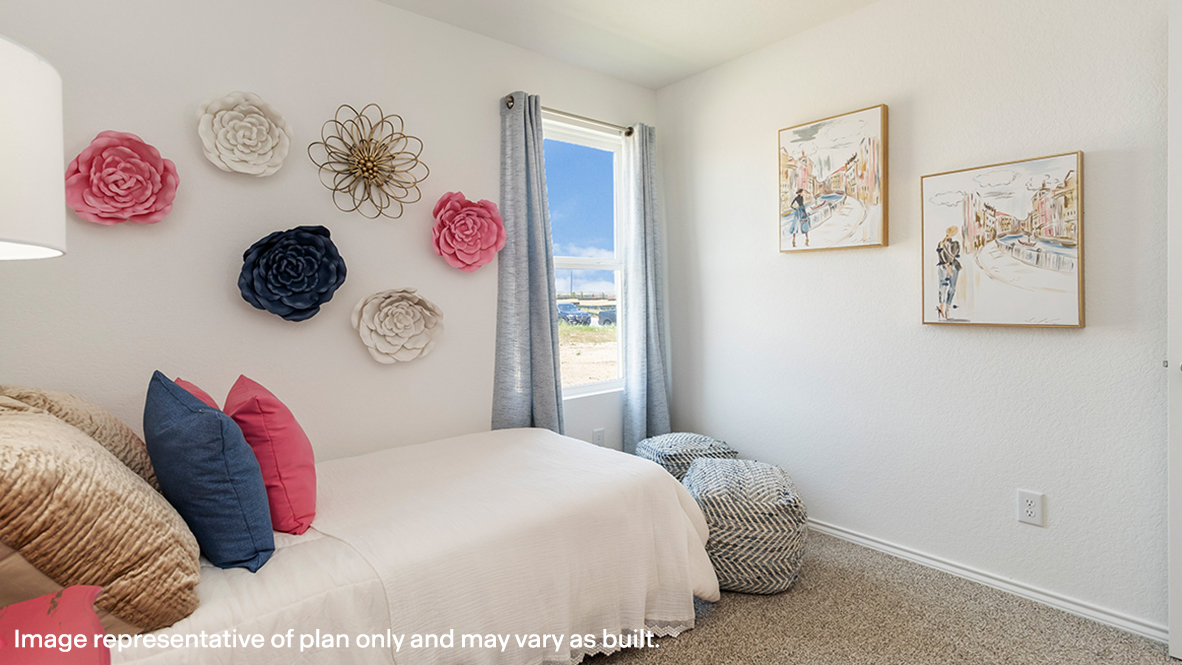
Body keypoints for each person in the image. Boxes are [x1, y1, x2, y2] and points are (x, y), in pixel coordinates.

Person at [936, 226, 961, 320]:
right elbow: (947, 255)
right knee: (948, 288)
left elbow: (952, 255)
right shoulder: (943, 244)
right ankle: (944, 309)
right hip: (948, 267)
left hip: (949, 266)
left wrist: (948, 265)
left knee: (949, 288)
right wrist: (948, 266)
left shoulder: (953, 244)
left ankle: (945, 308)